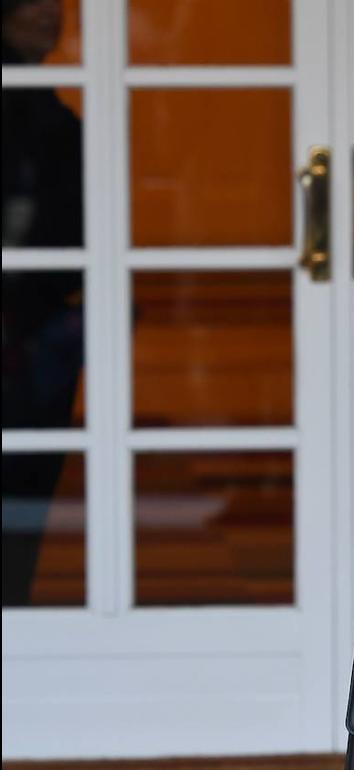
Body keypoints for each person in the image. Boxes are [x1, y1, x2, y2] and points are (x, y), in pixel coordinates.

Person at [2, 0, 85, 606]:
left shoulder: (40, 100)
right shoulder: (24, 105)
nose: (52, 14)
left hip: (38, 318)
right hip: (24, 321)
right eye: (34, 3)